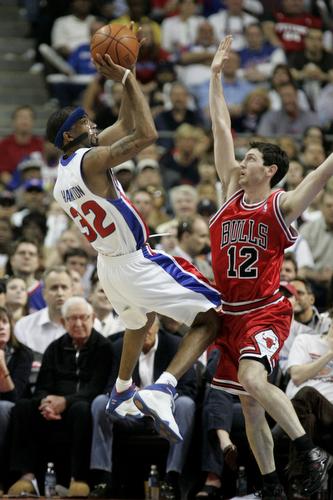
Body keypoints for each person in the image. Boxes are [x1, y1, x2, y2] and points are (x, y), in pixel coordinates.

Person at [48, 47, 221, 444]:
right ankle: (163, 390)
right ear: (73, 134)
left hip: (110, 267)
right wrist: (128, 78)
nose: (95, 126)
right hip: (135, 260)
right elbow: (147, 133)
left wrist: (125, 81)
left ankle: (122, 388)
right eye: (88, 123)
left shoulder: (64, 174)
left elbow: (126, 119)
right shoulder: (91, 162)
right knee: (211, 317)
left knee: (137, 321)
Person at [208, 35, 333, 499]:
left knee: (253, 379)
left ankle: (307, 450)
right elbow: (221, 128)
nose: (243, 163)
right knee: (248, 405)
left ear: (271, 171)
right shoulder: (228, 192)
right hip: (228, 313)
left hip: (264, 309)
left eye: (252, 159)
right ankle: (270, 487)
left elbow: (320, 174)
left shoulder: (281, 205)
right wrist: (216, 76)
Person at [7, 296, 113, 497]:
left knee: (81, 409)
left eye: (83, 318)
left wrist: (65, 402)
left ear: (92, 319)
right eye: (72, 319)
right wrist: (45, 404)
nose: (78, 323)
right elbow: (41, 387)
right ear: (64, 322)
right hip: (54, 406)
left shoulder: (104, 347)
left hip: (81, 405)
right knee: (21, 407)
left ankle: (78, 479)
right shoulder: (54, 348)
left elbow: (96, 388)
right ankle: (26, 477)